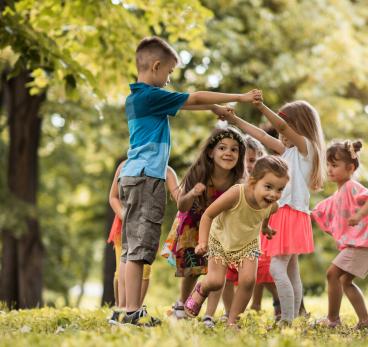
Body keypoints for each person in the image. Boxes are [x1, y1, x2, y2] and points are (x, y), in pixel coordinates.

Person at [119, 36, 259, 326]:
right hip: (146, 179)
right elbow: (194, 98)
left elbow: (191, 104)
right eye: (169, 73)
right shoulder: (149, 95)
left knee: (133, 248)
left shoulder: (138, 98)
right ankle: (130, 312)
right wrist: (240, 98)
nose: (169, 79)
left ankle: (127, 310)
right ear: (156, 66)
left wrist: (213, 110)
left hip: (134, 176)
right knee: (141, 249)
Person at [219, 99, 326, 325]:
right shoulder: (288, 152)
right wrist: (234, 120)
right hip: (284, 214)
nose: (280, 135)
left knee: (278, 269)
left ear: (300, 126)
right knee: (292, 271)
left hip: (291, 214)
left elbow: (282, 128)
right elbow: (262, 136)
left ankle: (286, 321)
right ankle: (294, 319)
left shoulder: (307, 148)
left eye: (284, 128)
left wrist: (261, 107)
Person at [184, 156, 290, 327]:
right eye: (268, 187)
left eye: (280, 189)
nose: (274, 194)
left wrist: (265, 228)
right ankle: (201, 289)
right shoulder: (237, 193)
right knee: (216, 281)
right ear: (253, 183)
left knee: (248, 281)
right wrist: (202, 242)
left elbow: (267, 213)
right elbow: (208, 215)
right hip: (221, 239)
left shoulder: (273, 205)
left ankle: (233, 321)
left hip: (247, 244)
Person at [160, 126, 246, 326]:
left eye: (234, 149)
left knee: (217, 271)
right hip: (193, 224)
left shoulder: (239, 179)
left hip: (220, 228)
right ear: (211, 152)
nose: (228, 153)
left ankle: (208, 314)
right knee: (193, 268)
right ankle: (181, 304)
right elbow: (182, 205)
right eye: (222, 148)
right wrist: (191, 193)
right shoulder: (199, 172)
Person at [312, 140, 368, 330]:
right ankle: (365, 321)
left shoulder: (352, 186)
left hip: (364, 244)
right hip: (363, 245)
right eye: (328, 165)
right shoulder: (339, 193)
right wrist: (304, 213)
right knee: (344, 281)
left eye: (334, 165)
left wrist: (359, 215)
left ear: (350, 167)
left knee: (332, 274)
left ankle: (333, 319)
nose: (329, 169)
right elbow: (323, 209)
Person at [107, 160, 179, 324]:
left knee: (144, 270)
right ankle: (121, 309)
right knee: (122, 268)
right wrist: (127, 217)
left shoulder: (164, 169)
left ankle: (135, 310)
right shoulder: (125, 166)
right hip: (123, 228)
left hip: (147, 228)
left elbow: (179, 194)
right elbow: (113, 197)